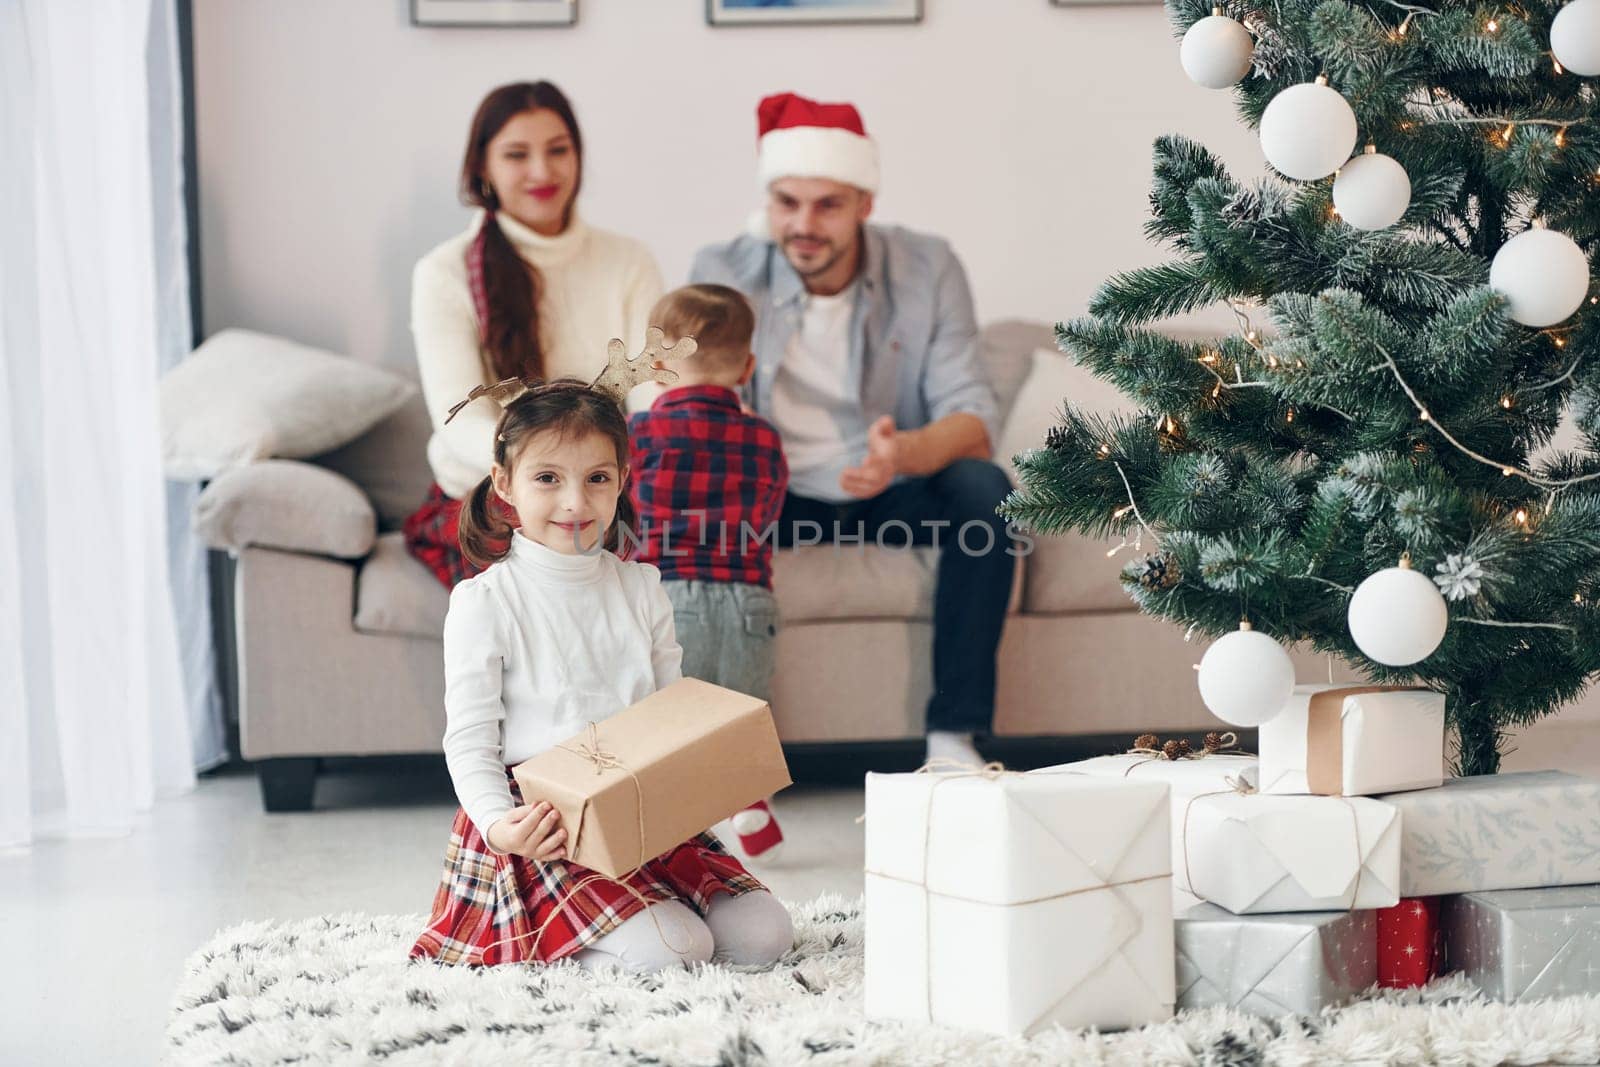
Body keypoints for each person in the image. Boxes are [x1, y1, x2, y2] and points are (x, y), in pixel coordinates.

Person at [410, 380, 794, 971]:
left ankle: (635, 921)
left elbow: (673, 714)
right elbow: (470, 738)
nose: (575, 503)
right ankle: (555, 949)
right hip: (542, 827)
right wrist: (498, 825)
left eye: (596, 478)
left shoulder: (640, 587)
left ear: (621, 480)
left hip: (639, 809)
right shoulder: (484, 600)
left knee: (766, 936)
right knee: (676, 951)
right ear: (504, 483)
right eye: (547, 479)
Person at [691, 92, 1017, 768]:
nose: (803, 225)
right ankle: (717, 758)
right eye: (787, 202)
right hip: (770, 496)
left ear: (865, 203)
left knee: (987, 492)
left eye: (827, 205)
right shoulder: (724, 271)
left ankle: (952, 740)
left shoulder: (928, 266)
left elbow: (973, 417)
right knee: (683, 503)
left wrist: (904, 454)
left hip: (891, 485)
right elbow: (692, 408)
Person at [403, 80, 663, 589]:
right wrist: (548, 470)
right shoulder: (444, 272)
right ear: (483, 168)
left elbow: (651, 392)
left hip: (604, 488)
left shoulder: (630, 261)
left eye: (558, 150)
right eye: (517, 154)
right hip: (495, 496)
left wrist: (598, 475)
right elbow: (459, 417)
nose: (542, 172)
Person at [627, 284, 790, 860]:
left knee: (668, 729)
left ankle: (675, 844)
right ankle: (749, 803)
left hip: (670, 595)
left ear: (657, 367)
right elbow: (767, 514)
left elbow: (621, 515)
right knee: (736, 720)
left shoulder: (638, 434)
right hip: (751, 603)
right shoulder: (766, 439)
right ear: (747, 367)